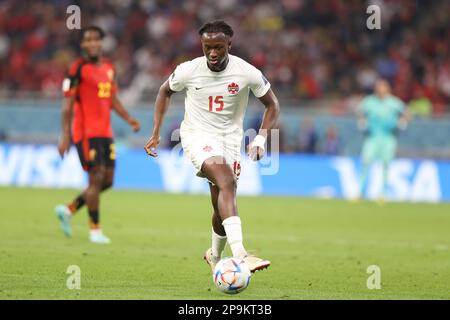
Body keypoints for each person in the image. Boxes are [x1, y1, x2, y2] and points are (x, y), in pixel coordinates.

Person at [144, 21, 280, 272]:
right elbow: (165, 91)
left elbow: (272, 104)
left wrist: (260, 139)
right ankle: (241, 254)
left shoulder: (246, 72)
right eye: (208, 47)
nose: (213, 53)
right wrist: (156, 132)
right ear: (202, 46)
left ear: (230, 44)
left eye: (218, 47)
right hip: (197, 136)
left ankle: (214, 255)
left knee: (221, 203)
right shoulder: (188, 70)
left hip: (230, 141)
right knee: (227, 181)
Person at [55, 26, 141, 244]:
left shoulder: (109, 68)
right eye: (88, 40)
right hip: (85, 133)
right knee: (95, 178)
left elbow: (111, 99)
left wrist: (128, 118)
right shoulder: (76, 69)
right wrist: (65, 135)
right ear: (82, 44)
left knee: (108, 181)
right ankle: (95, 230)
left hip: (105, 133)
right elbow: (67, 105)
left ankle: (68, 210)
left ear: (101, 43)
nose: (92, 43)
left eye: (96, 40)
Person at [357, 78, 408, 200]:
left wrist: (403, 121)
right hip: (372, 137)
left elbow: (407, 112)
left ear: (388, 89)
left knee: (386, 164)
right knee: (366, 162)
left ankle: (383, 193)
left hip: (388, 137)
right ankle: (360, 191)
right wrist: (362, 120)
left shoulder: (394, 102)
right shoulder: (369, 101)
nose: (380, 90)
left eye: (383, 87)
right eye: (378, 87)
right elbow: (359, 111)